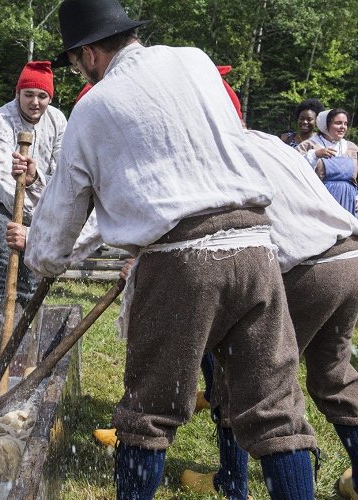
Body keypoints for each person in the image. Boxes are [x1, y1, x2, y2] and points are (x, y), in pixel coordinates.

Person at [21, 0, 318, 498]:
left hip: (182, 262)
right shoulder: (196, 61)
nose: (78, 72)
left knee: (147, 415)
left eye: (75, 62)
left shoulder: (93, 106)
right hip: (254, 247)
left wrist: (44, 258)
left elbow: (62, 214)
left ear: (90, 53)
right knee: (276, 411)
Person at [180, 129, 358, 500]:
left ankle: (232, 481)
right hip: (348, 255)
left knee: (249, 384)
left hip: (304, 268)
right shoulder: (269, 140)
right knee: (335, 376)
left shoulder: (212, 151)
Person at [0, 61, 67, 312]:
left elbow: (63, 171)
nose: (35, 102)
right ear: (17, 93)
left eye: (42, 96)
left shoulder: (57, 120)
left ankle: (24, 334)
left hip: (34, 198)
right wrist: (39, 219)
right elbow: (4, 182)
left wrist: (43, 212)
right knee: (1, 273)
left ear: (49, 97)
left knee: (31, 271)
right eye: (29, 94)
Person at [297, 108, 358, 214]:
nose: (343, 127)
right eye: (338, 123)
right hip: (320, 200)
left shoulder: (352, 148)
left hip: (350, 201)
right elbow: (294, 168)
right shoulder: (309, 145)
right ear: (326, 125)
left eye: (345, 123)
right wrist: (315, 155)